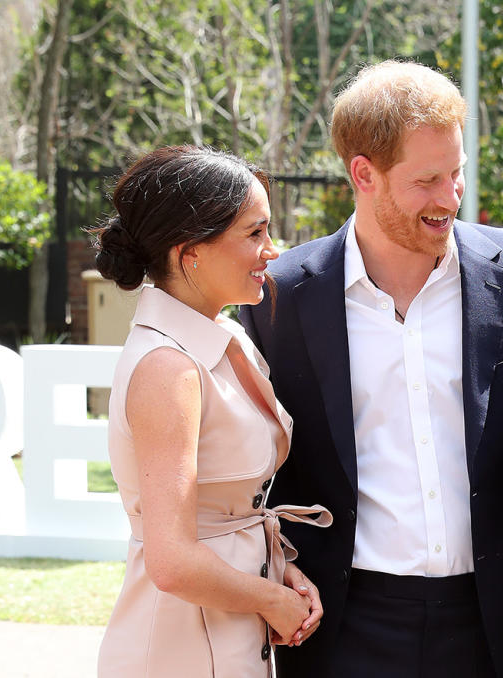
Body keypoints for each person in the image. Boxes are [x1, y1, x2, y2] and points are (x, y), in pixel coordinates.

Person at [239, 61, 503, 678]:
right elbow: (257, 466)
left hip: (497, 618)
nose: (449, 198)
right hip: (344, 624)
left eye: (457, 173)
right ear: (363, 173)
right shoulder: (282, 297)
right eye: (426, 180)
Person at [94, 146, 331, 678]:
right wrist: (270, 600)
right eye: (255, 233)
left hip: (228, 631)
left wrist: (281, 573)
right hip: (180, 644)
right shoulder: (166, 367)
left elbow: (228, 513)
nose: (273, 250)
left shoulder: (227, 338)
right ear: (189, 253)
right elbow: (173, 561)